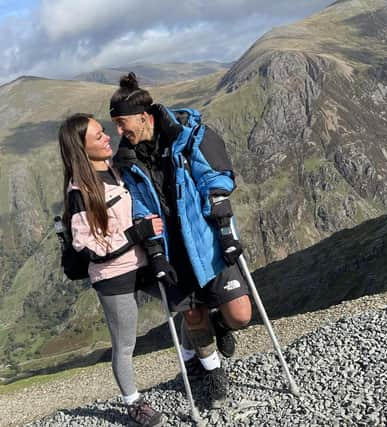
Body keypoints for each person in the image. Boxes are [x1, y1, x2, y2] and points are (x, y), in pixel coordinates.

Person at [110, 73, 252, 409]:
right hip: (173, 250)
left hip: (205, 241)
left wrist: (225, 230)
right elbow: (141, 209)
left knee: (240, 316)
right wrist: (156, 253)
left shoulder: (191, 135)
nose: (118, 132)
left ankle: (221, 324)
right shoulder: (127, 162)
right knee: (192, 316)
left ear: (144, 117)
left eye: (122, 123)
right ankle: (215, 376)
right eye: (114, 124)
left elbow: (215, 180)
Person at [58, 113, 167, 427]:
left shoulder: (116, 170)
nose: (107, 137)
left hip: (143, 262)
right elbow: (88, 246)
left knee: (184, 303)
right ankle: (134, 404)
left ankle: (194, 361)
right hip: (112, 275)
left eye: (103, 131)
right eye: (98, 136)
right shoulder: (79, 191)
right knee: (125, 343)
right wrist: (136, 234)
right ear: (81, 148)